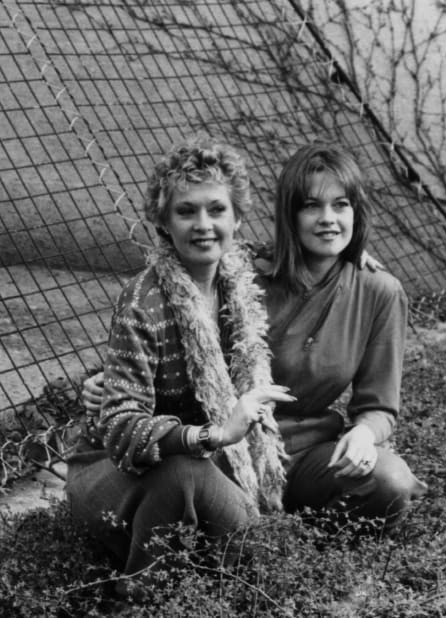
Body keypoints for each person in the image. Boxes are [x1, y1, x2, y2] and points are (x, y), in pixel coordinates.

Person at [81, 143, 427, 548]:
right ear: (289, 214)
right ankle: (243, 537)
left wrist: (367, 434)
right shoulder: (244, 275)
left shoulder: (379, 292)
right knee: (225, 522)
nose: (328, 219)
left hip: (308, 450)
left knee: (390, 482)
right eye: (311, 206)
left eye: (341, 205)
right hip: (226, 448)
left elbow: (380, 404)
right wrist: (111, 380)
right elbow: (183, 326)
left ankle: (304, 544)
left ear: (357, 212)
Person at [65, 139, 295, 587]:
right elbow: (119, 426)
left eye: (216, 210)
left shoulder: (240, 281)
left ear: (237, 218)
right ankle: (137, 597)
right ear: (164, 224)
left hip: (209, 466)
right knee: (185, 472)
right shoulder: (142, 299)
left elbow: (311, 251)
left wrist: (355, 256)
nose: (204, 225)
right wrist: (215, 434)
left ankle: (194, 572)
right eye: (186, 211)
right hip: (118, 472)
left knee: (252, 554)